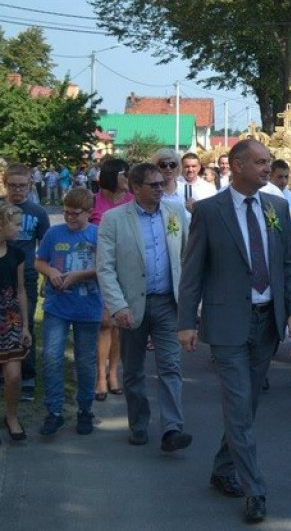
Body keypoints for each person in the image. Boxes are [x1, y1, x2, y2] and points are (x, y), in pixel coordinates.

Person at [178, 139, 291, 524]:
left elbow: (288, 263)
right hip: (228, 323)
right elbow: (193, 269)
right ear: (236, 165)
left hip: (267, 322)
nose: (268, 168)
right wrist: (186, 322)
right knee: (237, 406)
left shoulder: (278, 206)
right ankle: (255, 490)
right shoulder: (210, 211)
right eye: (260, 162)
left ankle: (221, 468)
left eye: (269, 162)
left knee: (245, 409)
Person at [96, 162, 192, 450]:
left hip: (166, 302)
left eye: (162, 184)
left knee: (171, 367)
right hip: (131, 306)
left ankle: (172, 429)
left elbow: (186, 257)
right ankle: (138, 424)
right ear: (136, 187)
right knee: (134, 370)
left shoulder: (175, 214)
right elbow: (105, 267)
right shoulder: (114, 219)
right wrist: (117, 305)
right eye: (154, 185)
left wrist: (189, 304)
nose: (160, 189)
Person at [35, 188, 102, 438]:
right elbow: (39, 260)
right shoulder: (54, 233)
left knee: (85, 361)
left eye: (75, 214)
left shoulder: (97, 235)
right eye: (66, 213)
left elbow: (105, 267)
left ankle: (85, 409)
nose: (69, 218)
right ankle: (53, 411)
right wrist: (50, 272)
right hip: (57, 307)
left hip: (88, 308)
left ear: (89, 212)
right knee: (52, 357)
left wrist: (79, 276)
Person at [2, 163, 50, 401]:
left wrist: (46, 277)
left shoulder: (38, 213)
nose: (17, 190)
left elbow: (46, 246)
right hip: (2, 274)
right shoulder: (1, 209)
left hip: (27, 276)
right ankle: (5, 372)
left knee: (24, 324)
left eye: (22, 186)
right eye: (13, 186)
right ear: (5, 184)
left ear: (30, 185)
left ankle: (27, 375)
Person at [90, 158, 133, 401]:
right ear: (111, 176)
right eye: (123, 174)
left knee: (117, 325)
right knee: (104, 323)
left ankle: (114, 373)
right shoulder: (94, 201)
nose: (127, 178)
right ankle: (100, 376)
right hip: (99, 268)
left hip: (125, 269)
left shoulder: (131, 201)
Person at [0, 204, 31, 442]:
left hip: (10, 320)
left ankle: (11, 416)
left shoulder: (16, 254)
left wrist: (26, 326)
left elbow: (20, 290)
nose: (20, 229)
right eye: (16, 224)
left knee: (13, 376)